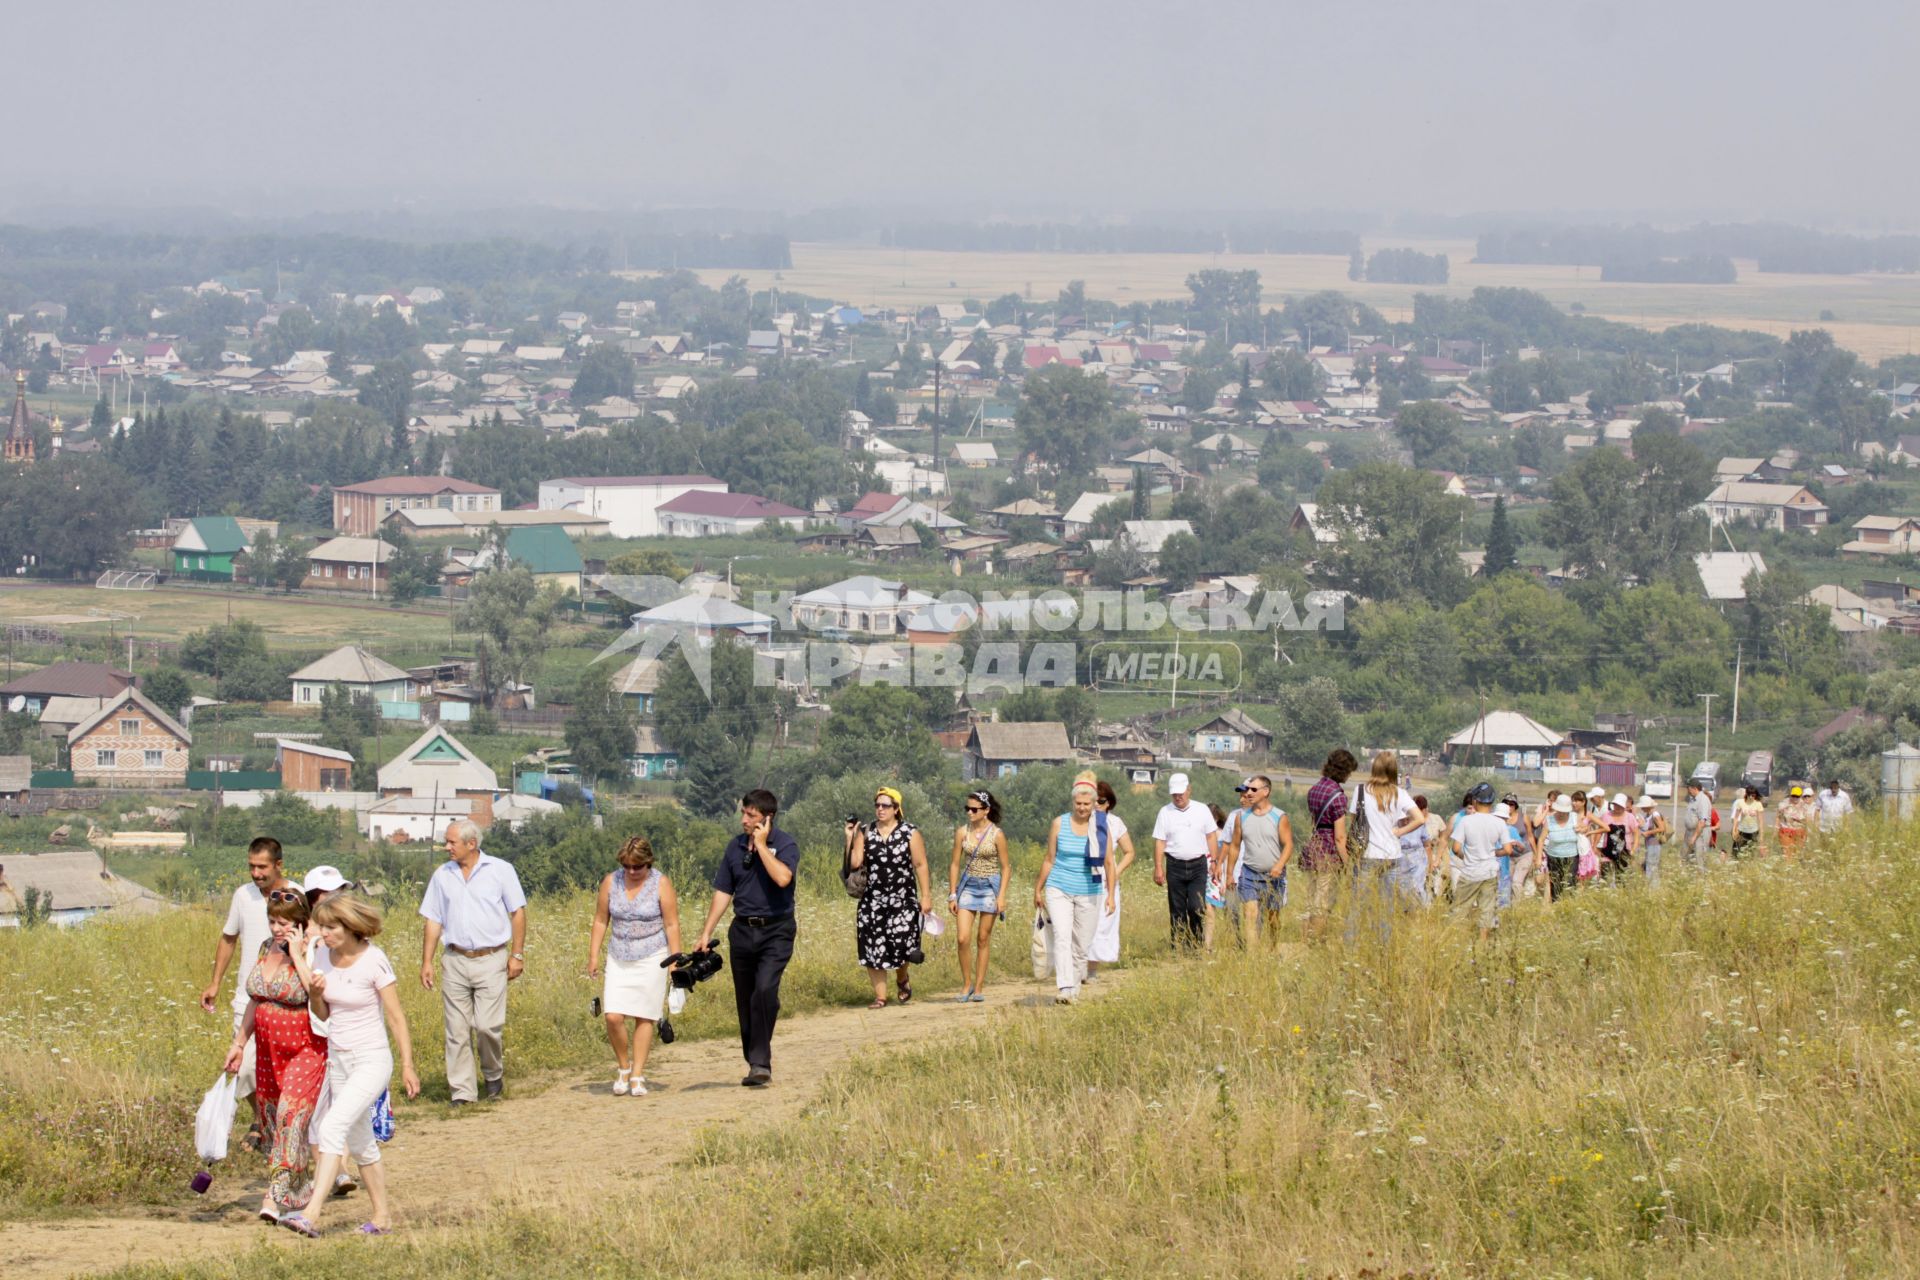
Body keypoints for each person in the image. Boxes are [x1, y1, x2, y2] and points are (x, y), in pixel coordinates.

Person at [280, 892, 421, 1238]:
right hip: (339, 1059)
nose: (323, 934)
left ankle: (310, 1215)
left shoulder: (374, 961)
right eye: (322, 927)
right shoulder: (324, 958)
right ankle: (382, 1218)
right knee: (360, 1143)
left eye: (330, 928)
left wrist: (407, 1065)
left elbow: (396, 1018)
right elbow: (323, 1013)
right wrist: (314, 992)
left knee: (331, 1127)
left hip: (371, 1059)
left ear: (351, 926)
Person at [222, 888, 327, 1222]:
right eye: (273, 921)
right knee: (275, 1123)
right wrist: (239, 1043)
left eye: (285, 922)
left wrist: (298, 953)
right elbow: (256, 998)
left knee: (290, 1116)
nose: (277, 929)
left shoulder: (315, 949)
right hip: (268, 1050)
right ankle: (299, 1186)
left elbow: (317, 992)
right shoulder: (265, 948)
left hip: (304, 1048)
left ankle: (274, 1196)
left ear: (301, 923)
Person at [200, 837, 302, 1153]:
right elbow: (228, 938)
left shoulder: (295, 895)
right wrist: (215, 982)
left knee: (278, 1072)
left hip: (286, 1002)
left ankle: (280, 1130)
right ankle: (262, 1121)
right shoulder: (242, 897)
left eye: (262, 867)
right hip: (249, 998)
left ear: (278, 865)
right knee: (243, 1069)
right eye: (251, 866)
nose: (256, 873)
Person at [694, 789, 801, 1088]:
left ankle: (760, 1063)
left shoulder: (785, 844)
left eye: (751, 815)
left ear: (767, 818)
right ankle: (755, 1060)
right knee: (747, 1001)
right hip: (742, 930)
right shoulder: (734, 847)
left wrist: (762, 845)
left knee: (764, 991)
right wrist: (705, 933)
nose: (744, 819)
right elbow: (723, 892)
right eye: (743, 813)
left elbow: (782, 878)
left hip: (776, 930)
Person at [418, 819, 527, 1105]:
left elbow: (517, 913)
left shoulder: (501, 871)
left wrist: (517, 954)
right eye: (447, 841)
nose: (446, 847)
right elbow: (433, 919)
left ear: (471, 843)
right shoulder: (442, 876)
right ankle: (463, 1092)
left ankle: (493, 1074)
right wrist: (426, 961)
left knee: (488, 1026)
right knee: (456, 1029)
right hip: (454, 958)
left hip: (491, 958)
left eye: (452, 842)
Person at [587, 836, 680, 1098]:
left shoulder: (661, 883)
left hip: (653, 956)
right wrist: (593, 955)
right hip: (619, 955)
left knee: (644, 1015)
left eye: (637, 866)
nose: (631, 871)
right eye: (627, 866)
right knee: (613, 1016)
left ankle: (638, 1074)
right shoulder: (610, 881)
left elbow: (671, 924)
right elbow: (600, 920)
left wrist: (674, 962)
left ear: (648, 863)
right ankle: (623, 1067)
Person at [848, 786, 933, 1009]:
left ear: (896, 808)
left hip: (903, 900)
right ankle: (881, 997)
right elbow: (855, 863)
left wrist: (926, 896)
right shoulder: (866, 831)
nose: (880, 809)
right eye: (877, 805)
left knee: (903, 945)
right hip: (872, 900)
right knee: (873, 947)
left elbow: (920, 865)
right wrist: (850, 837)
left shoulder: (910, 833)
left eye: (885, 805)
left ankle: (902, 978)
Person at [1035, 773, 1116, 1004]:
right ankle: (1065, 987)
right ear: (1073, 803)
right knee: (1062, 937)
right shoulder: (1059, 823)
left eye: (1086, 804)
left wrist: (1111, 896)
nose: (1082, 808)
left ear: (1093, 804)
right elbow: (1049, 858)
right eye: (1078, 804)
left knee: (1081, 944)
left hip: (1090, 889)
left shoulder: (1101, 827)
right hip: (1059, 887)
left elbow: (1109, 862)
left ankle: (1075, 987)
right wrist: (1038, 888)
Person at [948, 789, 1011, 1001]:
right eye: (967, 808)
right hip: (968, 886)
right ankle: (966, 983)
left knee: (983, 938)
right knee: (962, 938)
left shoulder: (997, 834)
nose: (969, 812)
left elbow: (1006, 867)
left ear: (986, 810)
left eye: (974, 809)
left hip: (989, 887)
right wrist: (952, 894)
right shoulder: (962, 832)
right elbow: (955, 863)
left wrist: (1001, 896)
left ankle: (980, 986)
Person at [1151, 772, 1218, 949]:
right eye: (1174, 794)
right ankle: (1178, 945)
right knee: (1177, 909)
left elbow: (1211, 836)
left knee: (1197, 907)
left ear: (1189, 790)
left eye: (1181, 793)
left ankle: (1195, 943)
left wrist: (1215, 861)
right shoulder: (1165, 812)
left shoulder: (1202, 809)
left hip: (1198, 865)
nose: (1178, 797)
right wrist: (1158, 867)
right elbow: (1160, 840)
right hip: (1175, 865)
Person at [1221, 775, 1293, 941]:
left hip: (1273, 875)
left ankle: (1272, 949)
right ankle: (1252, 956)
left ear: (1266, 791)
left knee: (1272, 918)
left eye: (1254, 789)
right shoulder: (1241, 817)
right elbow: (1235, 846)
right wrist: (1230, 874)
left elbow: (1288, 845)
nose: (1249, 793)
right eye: (1248, 789)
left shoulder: (1279, 816)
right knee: (1250, 914)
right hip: (1249, 873)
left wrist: (1279, 865)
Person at [1301, 750, 1358, 941]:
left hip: (1314, 844)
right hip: (1328, 850)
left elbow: (1313, 820)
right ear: (1344, 771)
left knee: (1310, 898)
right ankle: (1316, 940)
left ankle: (1305, 937)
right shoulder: (1338, 796)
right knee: (1323, 900)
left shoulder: (1314, 789)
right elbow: (1340, 837)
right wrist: (1348, 862)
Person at [1356, 753, 1423, 915]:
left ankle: (1352, 938)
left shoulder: (1361, 791)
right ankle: (1384, 939)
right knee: (1387, 904)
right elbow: (1419, 819)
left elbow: (1355, 822)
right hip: (1392, 853)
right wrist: (1399, 831)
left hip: (1368, 853)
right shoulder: (1399, 793)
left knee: (1358, 903)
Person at [1084, 781, 1136, 982]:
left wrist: (1116, 872)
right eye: (1094, 800)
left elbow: (1129, 852)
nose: (1097, 804)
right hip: (1084, 876)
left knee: (1102, 923)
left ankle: (1092, 969)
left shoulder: (1115, 823)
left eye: (1102, 800)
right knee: (1082, 922)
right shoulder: (1081, 821)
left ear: (1109, 803)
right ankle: (1077, 966)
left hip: (1107, 879)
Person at [1450, 783, 1508, 942]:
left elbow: (1455, 848)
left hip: (1470, 872)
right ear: (1492, 802)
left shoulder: (1466, 821)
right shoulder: (1499, 823)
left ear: (1475, 801)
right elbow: (1508, 849)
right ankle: (1483, 941)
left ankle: (1457, 939)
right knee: (1487, 909)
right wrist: (1493, 853)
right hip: (1490, 871)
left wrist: (1466, 856)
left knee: (1460, 908)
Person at [1539, 794, 1582, 900]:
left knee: (1570, 885)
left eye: (1565, 811)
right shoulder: (1549, 820)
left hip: (1572, 857)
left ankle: (1569, 909)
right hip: (1554, 857)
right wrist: (1538, 858)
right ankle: (1556, 908)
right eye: (1560, 810)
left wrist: (1582, 829)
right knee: (1556, 886)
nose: (1562, 813)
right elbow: (1541, 839)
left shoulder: (1574, 817)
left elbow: (1584, 829)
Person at [1637, 796, 1671, 882]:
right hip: (1650, 843)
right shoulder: (1648, 815)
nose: (1641, 808)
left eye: (1643, 806)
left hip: (1654, 844)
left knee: (1651, 866)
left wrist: (1647, 833)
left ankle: (1653, 887)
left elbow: (1661, 828)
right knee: (1650, 865)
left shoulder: (1655, 815)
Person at [1682, 778, 1713, 870]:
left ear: (1694, 788)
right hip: (1690, 832)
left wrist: (1694, 837)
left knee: (1699, 857)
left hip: (1700, 833)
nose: (1687, 790)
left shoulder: (1703, 800)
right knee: (1685, 857)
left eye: (1688, 788)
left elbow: (1702, 821)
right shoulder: (1692, 799)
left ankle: (1701, 878)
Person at [1777, 785, 1815, 858]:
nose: (1795, 798)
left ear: (1800, 796)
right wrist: (1776, 829)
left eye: (1797, 796)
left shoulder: (1804, 806)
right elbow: (1778, 817)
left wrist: (1809, 832)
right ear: (1790, 795)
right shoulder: (1783, 804)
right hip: (1786, 831)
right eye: (1793, 796)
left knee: (1798, 854)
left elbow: (1808, 820)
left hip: (1799, 832)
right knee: (1787, 855)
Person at [1729, 786, 1766, 859]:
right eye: (1749, 795)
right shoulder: (1740, 802)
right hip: (1742, 831)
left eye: (1753, 795)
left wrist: (1761, 834)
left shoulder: (1758, 804)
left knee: (1750, 851)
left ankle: (1748, 866)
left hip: (1753, 831)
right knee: (1737, 851)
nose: (1751, 797)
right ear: (1746, 794)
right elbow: (1736, 817)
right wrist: (1734, 830)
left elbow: (1760, 821)